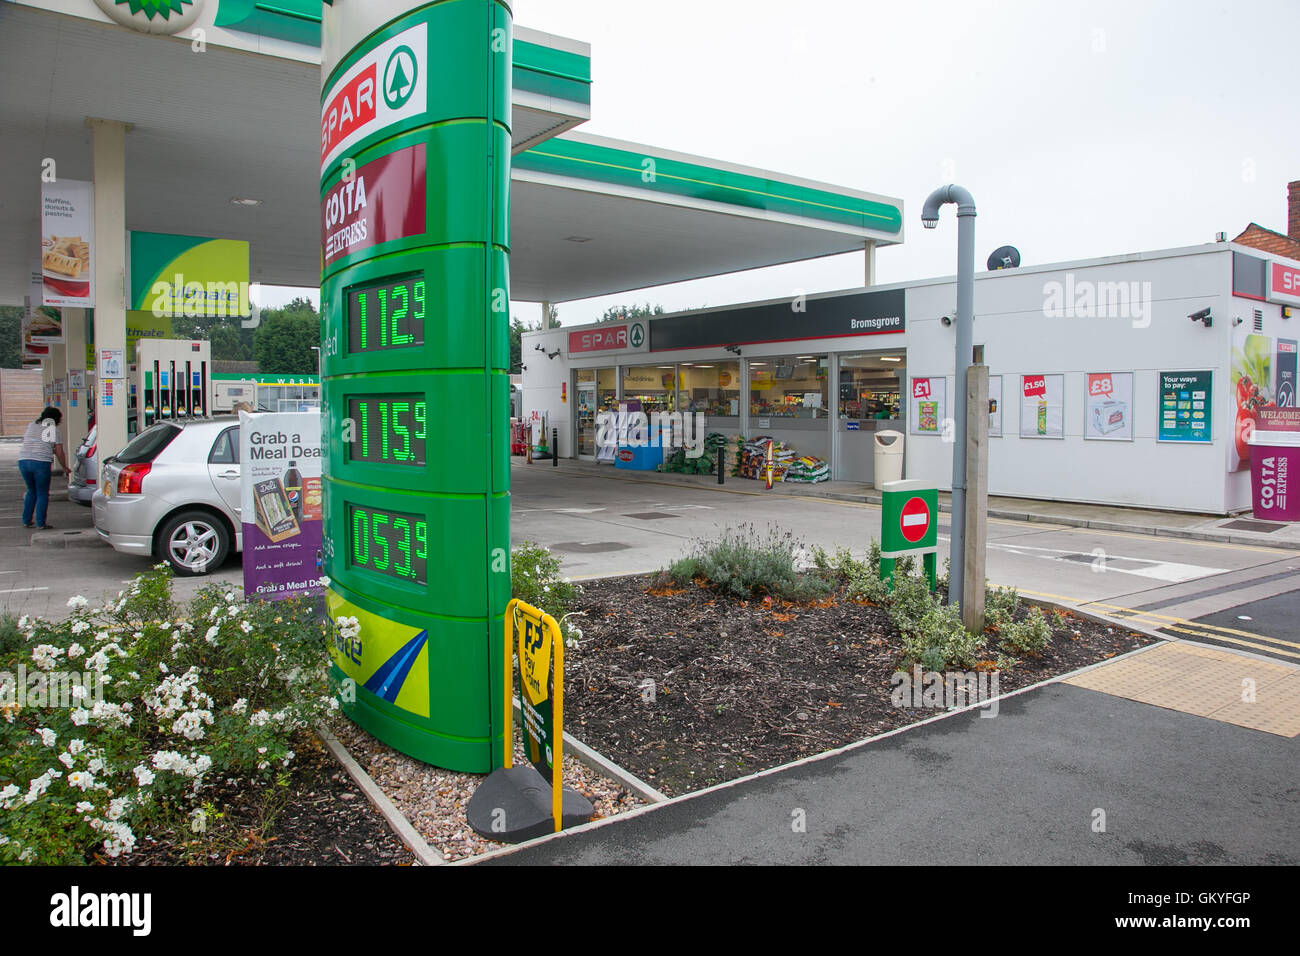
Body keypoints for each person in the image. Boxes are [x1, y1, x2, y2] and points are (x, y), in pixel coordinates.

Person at [18, 406, 69, 530]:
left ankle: (26, 520)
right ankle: (40, 523)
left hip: (23, 461)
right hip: (41, 463)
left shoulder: (31, 425)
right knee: (42, 493)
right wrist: (64, 467)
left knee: (31, 490)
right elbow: (59, 452)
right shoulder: (53, 430)